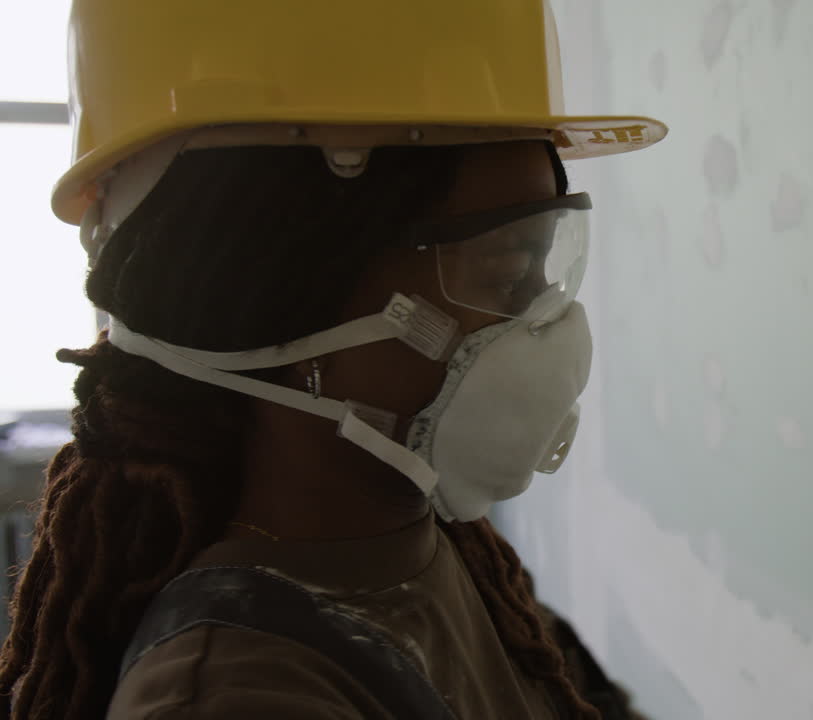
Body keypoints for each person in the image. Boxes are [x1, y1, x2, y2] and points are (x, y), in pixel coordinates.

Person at [0, 1, 666, 718]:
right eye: (506, 275)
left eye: (549, 263)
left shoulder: (431, 546)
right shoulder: (240, 695)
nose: (547, 317)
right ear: (268, 293)